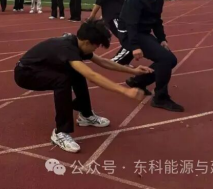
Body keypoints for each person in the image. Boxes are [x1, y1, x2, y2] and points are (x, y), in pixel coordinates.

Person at [14, 20, 150, 153]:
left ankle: (86, 115)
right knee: (62, 80)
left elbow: (103, 62)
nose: (96, 49)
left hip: (43, 69)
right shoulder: (67, 48)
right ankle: (61, 132)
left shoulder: (78, 44)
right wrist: (124, 91)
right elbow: (92, 76)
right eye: (96, 46)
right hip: (26, 74)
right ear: (87, 42)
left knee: (76, 73)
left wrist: (133, 71)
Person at [115, 0, 184, 112]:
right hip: (129, 34)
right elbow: (131, 23)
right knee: (165, 59)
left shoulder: (159, 0)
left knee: (171, 60)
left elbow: (157, 21)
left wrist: (162, 39)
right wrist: (135, 46)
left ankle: (138, 81)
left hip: (143, 33)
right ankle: (160, 98)